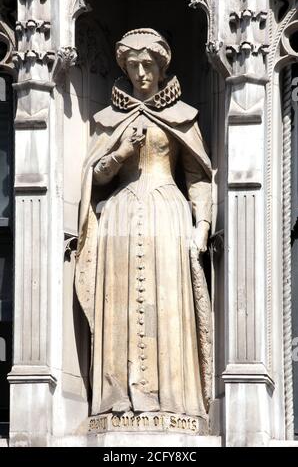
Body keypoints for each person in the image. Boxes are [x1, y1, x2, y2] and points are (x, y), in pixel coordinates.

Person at [75, 29, 212, 426]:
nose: (140, 73)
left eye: (147, 65)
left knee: (167, 305)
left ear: (161, 66)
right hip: (118, 218)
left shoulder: (182, 115)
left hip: (167, 216)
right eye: (133, 65)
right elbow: (94, 179)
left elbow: (198, 176)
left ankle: (175, 405)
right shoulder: (108, 120)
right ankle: (114, 402)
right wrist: (119, 154)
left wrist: (201, 223)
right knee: (119, 308)